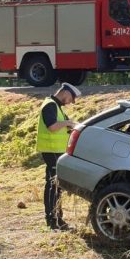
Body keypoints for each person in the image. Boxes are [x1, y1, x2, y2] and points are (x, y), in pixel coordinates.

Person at [37, 83, 81, 230]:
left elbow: (67, 126)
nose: (70, 102)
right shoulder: (50, 105)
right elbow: (52, 127)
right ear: (65, 92)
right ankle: (53, 220)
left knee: (56, 186)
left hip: (56, 151)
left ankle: (57, 218)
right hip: (51, 151)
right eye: (71, 98)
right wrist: (67, 123)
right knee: (53, 186)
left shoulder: (57, 107)